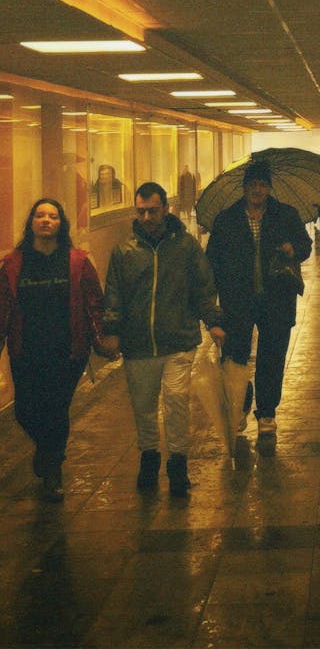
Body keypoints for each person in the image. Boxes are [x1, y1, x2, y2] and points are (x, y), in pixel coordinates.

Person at [102, 181, 219, 496]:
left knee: (177, 401)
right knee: (143, 406)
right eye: (140, 211)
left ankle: (178, 462)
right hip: (138, 344)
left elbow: (203, 288)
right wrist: (111, 331)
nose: (146, 216)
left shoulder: (185, 247)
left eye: (152, 210)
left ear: (166, 209)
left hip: (178, 340)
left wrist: (214, 322)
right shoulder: (125, 251)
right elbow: (114, 293)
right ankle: (149, 456)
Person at [0, 198, 117, 502]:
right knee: (25, 409)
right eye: (40, 215)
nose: (46, 221)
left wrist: (101, 340)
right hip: (26, 350)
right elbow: (4, 309)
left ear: (61, 223)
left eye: (52, 216)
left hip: (68, 350)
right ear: (31, 223)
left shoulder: (77, 261)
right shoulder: (14, 264)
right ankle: (46, 450)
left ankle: (53, 471)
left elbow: (94, 304)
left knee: (55, 409)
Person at [205, 160, 312, 445]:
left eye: (262, 185)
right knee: (235, 357)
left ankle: (266, 412)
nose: (257, 190)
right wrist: (212, 307)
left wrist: (294, 249)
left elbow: (305, 245)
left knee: (272, 357)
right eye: (252, 185)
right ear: (244, 189)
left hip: (276, 298)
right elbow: (212, 260)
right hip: (237, 300)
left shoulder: (285, 215)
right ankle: (240, 405)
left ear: (269, 188)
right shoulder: (226, 220)